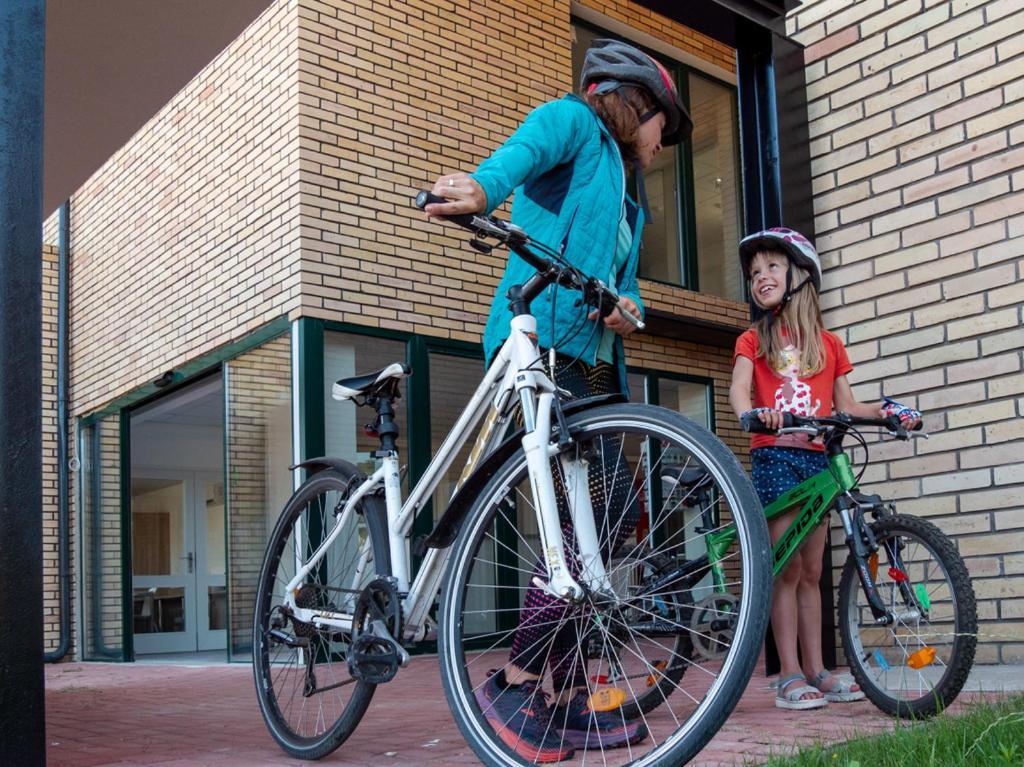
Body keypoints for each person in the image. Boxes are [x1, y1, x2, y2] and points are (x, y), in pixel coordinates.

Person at [426, 39, 691, 762]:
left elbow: (618, 277)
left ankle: (565, 693)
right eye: (663, 121)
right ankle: (516, 680)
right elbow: (524, 149)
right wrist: (482, 188)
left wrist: (627, 303)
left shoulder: (629, 193)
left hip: (597, 364)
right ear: (636, 100)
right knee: (574, 530)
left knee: (605, 515)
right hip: (542, 344)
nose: (662, 140)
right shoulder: (577, 123)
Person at [728, 227, 922, 710]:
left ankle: (816, 669)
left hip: (818, 461)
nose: (761, 277)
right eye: (755, 272)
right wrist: (751, 413)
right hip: (775, 455)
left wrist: (888, 411)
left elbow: (848, 405)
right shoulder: (753, 339)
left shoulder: (830, 345)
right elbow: (738, 389)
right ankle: (788, 673)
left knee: (812, 569)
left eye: (772, 267)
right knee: (785, 568)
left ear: (800, 276)